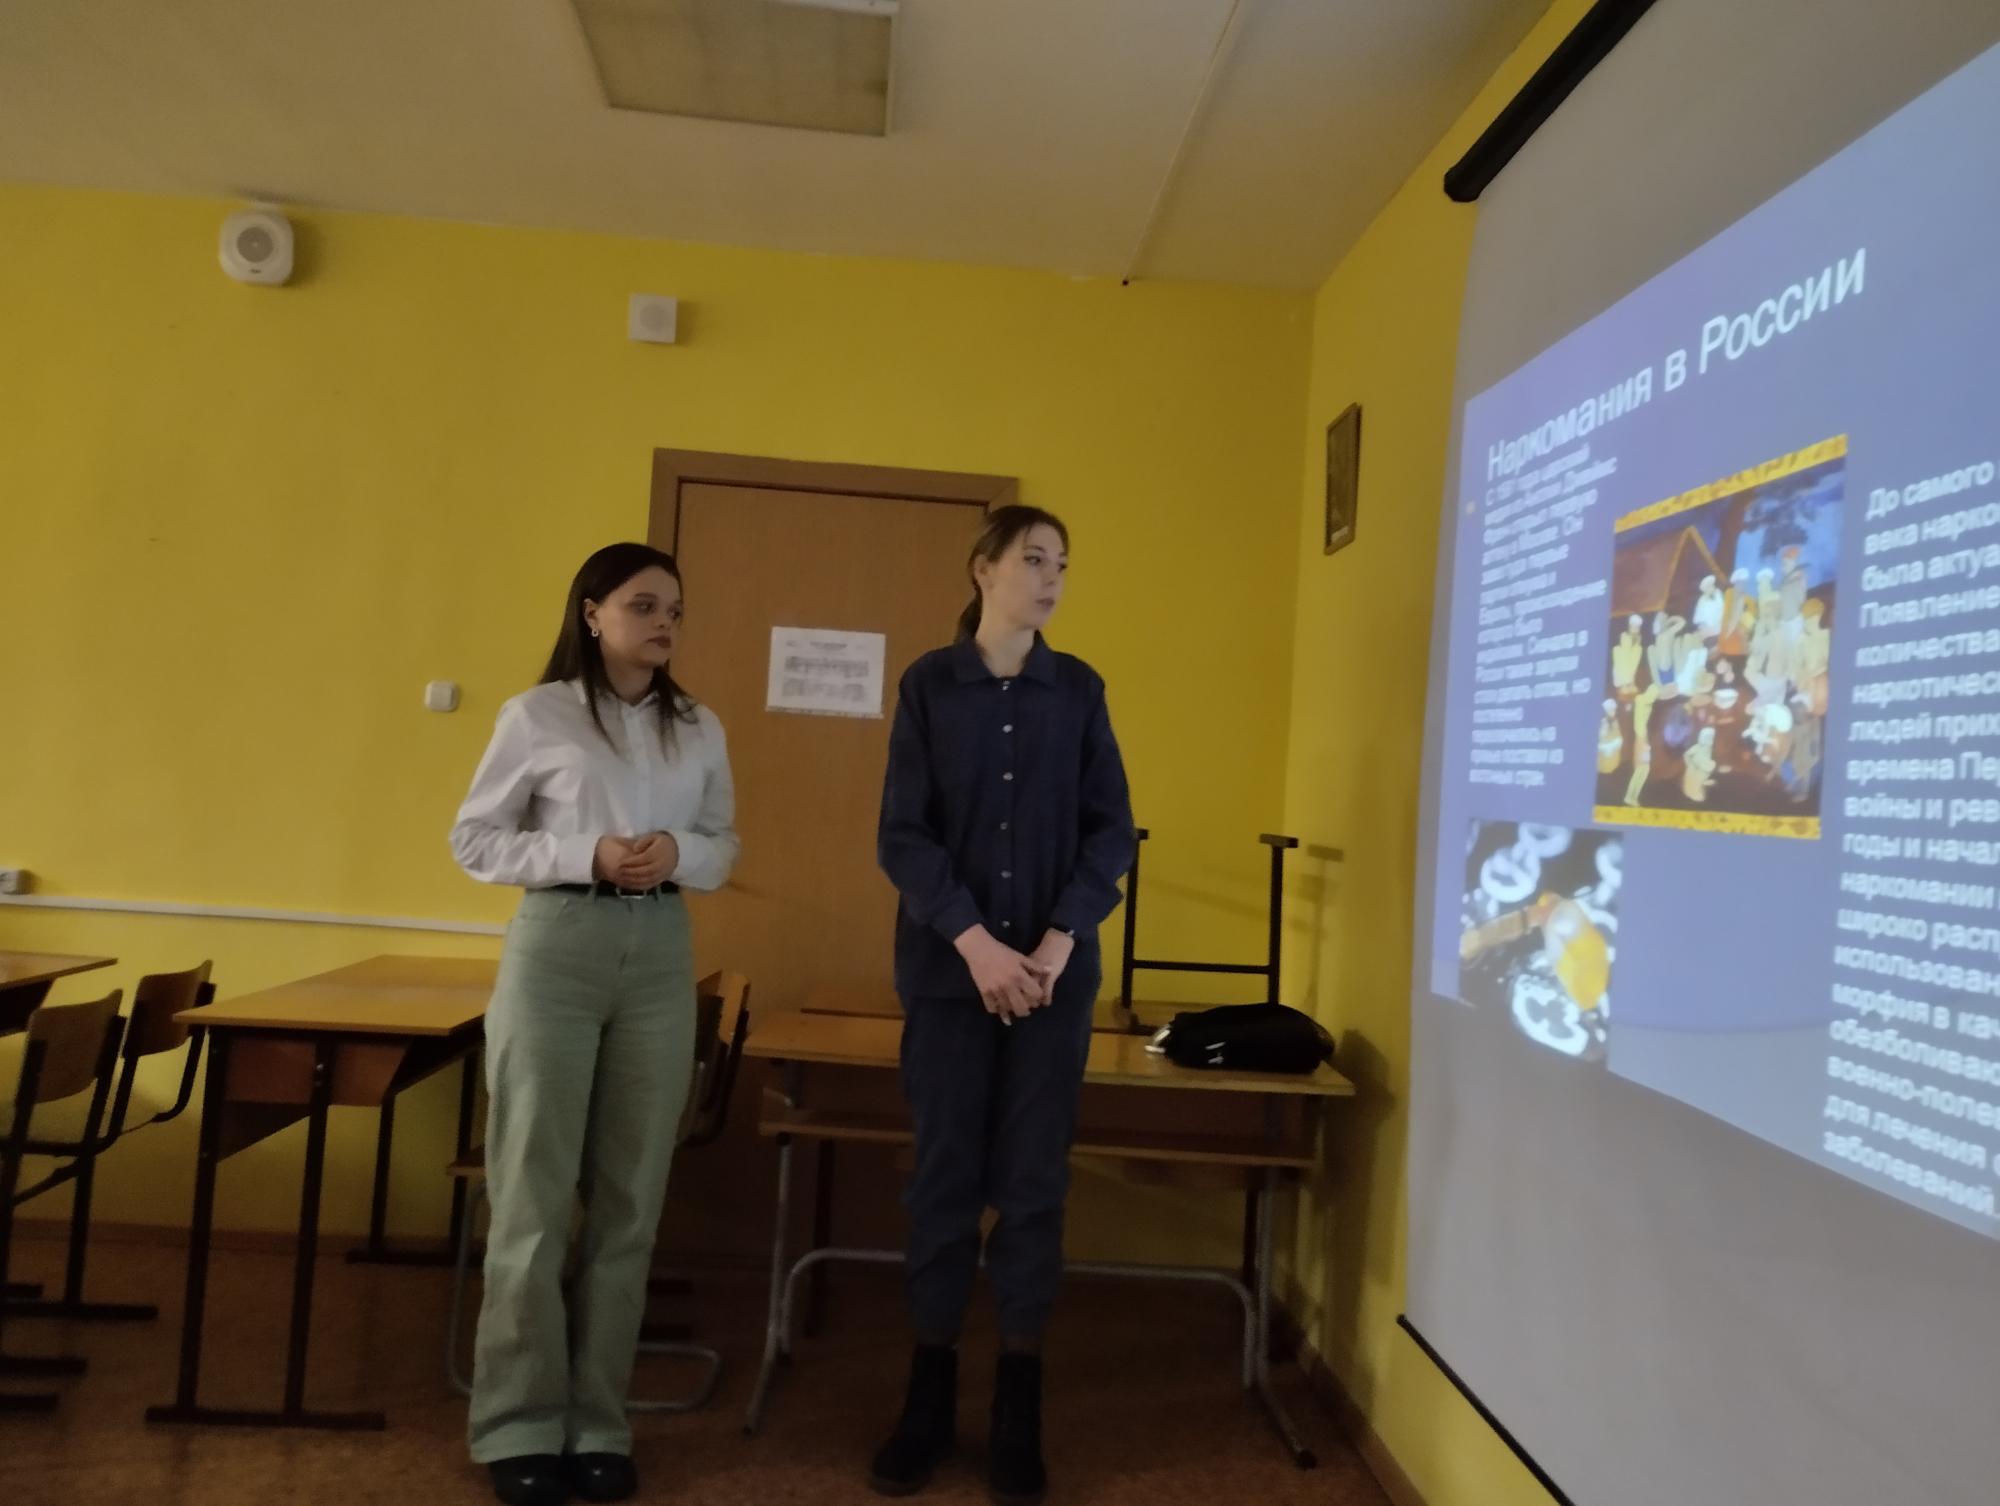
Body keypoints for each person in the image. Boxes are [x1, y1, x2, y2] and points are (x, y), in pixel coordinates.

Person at [449, 543, 739, 1506]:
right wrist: (588, 854)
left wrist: (678, 853)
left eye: (676, 610)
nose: (664, 623)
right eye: (644, 605)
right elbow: (476, 839)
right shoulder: (537, 714)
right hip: (559, 946)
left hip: (658, 953)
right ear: (592, 612)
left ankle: (599, 1422)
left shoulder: (698, 725)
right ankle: (519, 1425)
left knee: (631, 1199)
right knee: (532, 1194)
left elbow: (724, 842)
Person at [871, 505, 1136, 1504]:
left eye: (1062, 562)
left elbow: (1109, 833)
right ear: (983, 569)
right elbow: (904, 837)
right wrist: (977, 943)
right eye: (1032, 558)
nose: (1051, 576)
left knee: (1031, 1185)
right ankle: (926, 1400)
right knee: (944, 1183)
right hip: (951, 980)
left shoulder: (1081, 690)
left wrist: (1057, 941)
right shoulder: (928, 686)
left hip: (1052, 986)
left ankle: (1018, 1405)